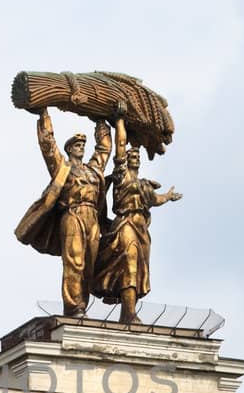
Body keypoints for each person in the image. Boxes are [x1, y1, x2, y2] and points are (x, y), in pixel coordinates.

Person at [14, 108, 113, 316]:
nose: (81, 148)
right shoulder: (62, 167)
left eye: (83, 145)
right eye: (77, 145)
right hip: (72, 215)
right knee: (74, 261)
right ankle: (73, 306)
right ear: (69, 149)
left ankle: (82, 305)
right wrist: (44, 115)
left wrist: (102, 119)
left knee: (88, 265)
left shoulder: (93, 169)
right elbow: (48, 146)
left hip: (92, 218)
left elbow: (104, 150)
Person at [95, 118, 180, 324]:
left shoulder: (144, 184)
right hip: (125, 224)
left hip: (142, 228)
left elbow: (154, 200)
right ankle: (130, 313)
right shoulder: (121, 176)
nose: (134, 157)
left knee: (139, 268)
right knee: (130, 261)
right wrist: (120, 121)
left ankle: (127, 311)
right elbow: (121, 146)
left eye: (137, 156)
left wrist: (167, 197)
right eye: (131, 155)